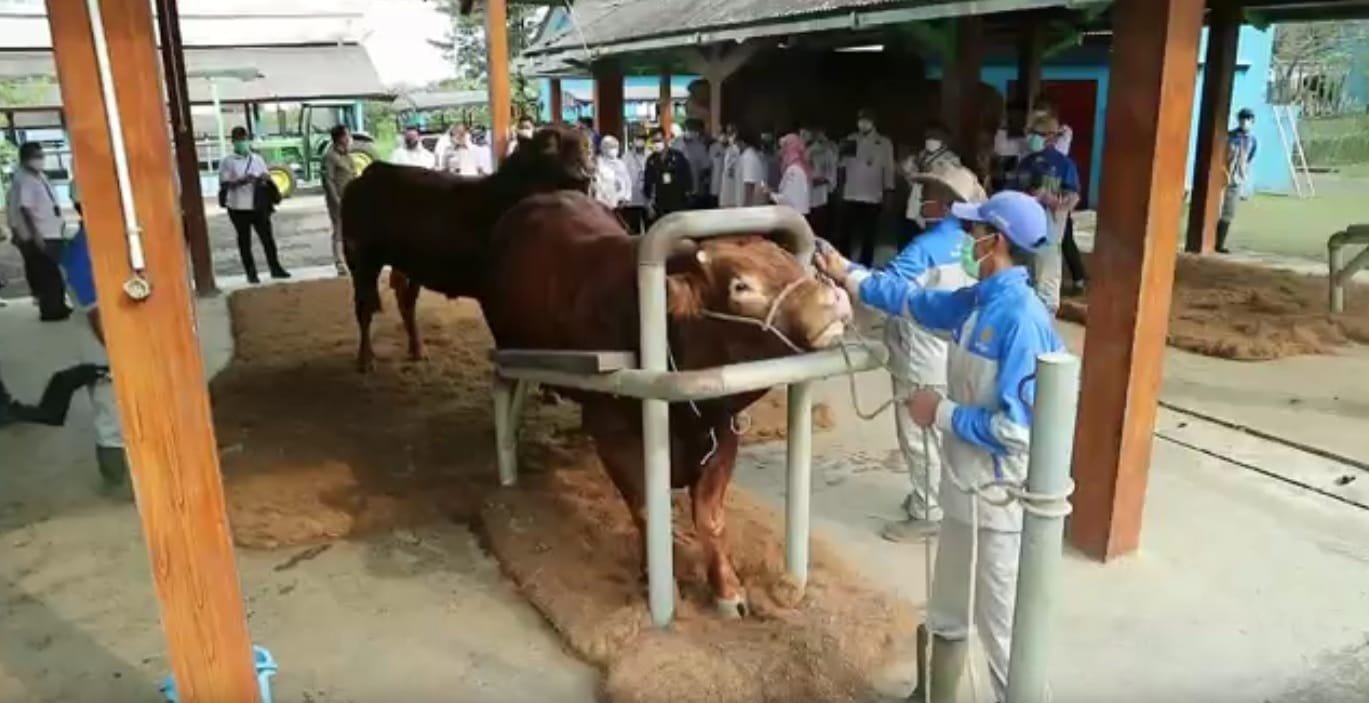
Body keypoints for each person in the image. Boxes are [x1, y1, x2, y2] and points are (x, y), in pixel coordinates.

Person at [816, 190, 1062, 703]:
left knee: (1003, 633)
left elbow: (1020, 432)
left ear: (997, 241)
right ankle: (936, 691)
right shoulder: (980, 299)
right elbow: (914, 302)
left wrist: (942, 412)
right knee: (948, 609)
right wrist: (848, 273)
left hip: (1001, 502)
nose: (966, 242)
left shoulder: (1022, 321)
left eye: (974, 234)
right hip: (962, 490)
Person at [868, 162, 984, 544]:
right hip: (951, 353)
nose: (922, 201)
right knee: (939, 434)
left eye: (930, 196)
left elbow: (885, 289)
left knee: (918, 437)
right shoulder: (970, 245)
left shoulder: (924, 248)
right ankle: (936, 497)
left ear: (949, 206)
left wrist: (845, 277)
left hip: (919, 355)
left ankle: (928, 510)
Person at [57, 219, 129, 487]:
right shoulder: (84, 250)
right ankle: (117, 479)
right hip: (102, 343)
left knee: (115, 409)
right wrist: (119, 350)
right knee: (111, 412)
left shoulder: (94, 241)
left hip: (105, 338)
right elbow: (95, 312)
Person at [1008, 113, 1080, 313]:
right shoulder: (1026, 163)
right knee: (1022, 283)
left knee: (1045, 287)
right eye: (1030, 133)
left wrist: (1051, 199)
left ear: (1050, 137)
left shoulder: (1064, 165)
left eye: (1035, 133)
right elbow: (1011, 191)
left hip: (1048, 233)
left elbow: (1072, 199)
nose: (1031, 137)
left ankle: (1045, 330)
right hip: (1022, 234)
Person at [6, 142, 72, 321]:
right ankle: (51, 310)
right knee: (48, 273)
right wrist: (35, 234)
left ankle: (58, 305)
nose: (41, 160)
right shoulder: (25, 179)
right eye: (37, 156)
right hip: (42, 233)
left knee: (52, 272)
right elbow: (25, 209)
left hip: (52, 230)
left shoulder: (38, 176)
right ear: (26, 159)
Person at [218, 126, 289, 284]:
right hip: (237, 207)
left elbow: (266, 177)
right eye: (239, 140)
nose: (242, 142)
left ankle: (275, 268)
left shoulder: (257, 159)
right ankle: (251, 273)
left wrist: (263, 178)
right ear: (233, 141)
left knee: (267, 238)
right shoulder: (227, 162)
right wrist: (240, 181)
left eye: (244, 139)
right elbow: (224, 183)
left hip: (258, 205)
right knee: (245, 241)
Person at [839, 108, 896, 266]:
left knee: (869, 236)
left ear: (873, 121)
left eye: (867, 120)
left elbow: (889, 170)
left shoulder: (884, 143)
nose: (863, 123)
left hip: (872, 196)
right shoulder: (851, 139)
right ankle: (843, 264)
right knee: (847, 234)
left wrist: (888, 193)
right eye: (860, 119)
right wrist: (840, 190)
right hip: (851, 194)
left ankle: (865, 266)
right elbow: (842, 167)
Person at [901, 122, 961, 247]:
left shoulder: (951, 159)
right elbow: (905, 172)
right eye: (928, 137)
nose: (930, 140)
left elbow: (951, 182)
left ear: (943, 139)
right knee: (910, 241)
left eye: (934, 137)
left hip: (934, 206)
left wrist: (930, 171)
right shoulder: (919, 155)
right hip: (916, 202)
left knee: (929, 240)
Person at [1218, 107, 1258, 254]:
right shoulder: (1229, 137)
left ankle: (1219, 243)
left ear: (1253, 121)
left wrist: (1242, 177)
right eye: (1242, 118)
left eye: (1248, 119)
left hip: (1237, 180)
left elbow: (1248, 159)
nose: (1244, 121)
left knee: (1228, 212)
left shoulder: (1252, 141)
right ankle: (1211, 241)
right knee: (1217, 209)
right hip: (1223, 178)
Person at [322, 124, 356, 276]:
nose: (349, 138)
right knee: (339, 230)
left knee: (351, 230)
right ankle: (340, 263)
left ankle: (350, 259)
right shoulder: (330, 156)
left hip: (350, 198)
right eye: (347, 135)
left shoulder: (347, 155)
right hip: (338, 200)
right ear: (341, 137)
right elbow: (328, 180)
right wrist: (336, 200)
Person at [642, 129, 692, 221]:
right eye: (653, 141)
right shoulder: (651, 160)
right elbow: (648, 182)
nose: (656, 144)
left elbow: (687, 178)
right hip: (659, 204)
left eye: (658, 140)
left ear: (665, 139)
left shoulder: (677, 157)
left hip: (677, 202)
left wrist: (687, 197)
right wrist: (649, 203)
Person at [762, 133, 811, 215]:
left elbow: (789, 199)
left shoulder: (794, 170)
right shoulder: (797, 167)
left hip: (793, 215)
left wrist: (770, 194)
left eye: (783, 147)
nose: (781, 151)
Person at [804, 125, 838, 242]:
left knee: (819, 228)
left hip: (820, 195)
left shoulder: (827, 151)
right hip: (805, 196)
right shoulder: (803, 150)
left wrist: (824, 181)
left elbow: (831, 172)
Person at [671, 118, 713, 209]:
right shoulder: (675, 143)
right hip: (677, 191)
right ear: (686, 129)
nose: (696, 134)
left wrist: (703, 187)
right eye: (692, 130)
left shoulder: (700, 147)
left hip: (695, 192)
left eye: (697, 131)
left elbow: (705, 169)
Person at [593, 135, 632, 213]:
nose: (614, 149)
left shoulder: (621, 163)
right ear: (603, 148)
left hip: (622, 205)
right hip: (604, 206)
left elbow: (627, 182)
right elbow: (597, 187)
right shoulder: (597, 164)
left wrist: (626, 198)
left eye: (615, 146)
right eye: (610, 147)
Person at [621, 130, 650, 233]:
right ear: (633, 140)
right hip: (632, 199)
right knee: (633, 230)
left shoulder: (650, 155)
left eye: (642, 139)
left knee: (650, 230)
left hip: (647, 199)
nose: (640, 141)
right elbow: (622, 178)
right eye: (637, 139)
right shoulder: (626, 157)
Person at [737, 128, 769, 207]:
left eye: (737, 143)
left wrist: (746, 208)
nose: (737, 146)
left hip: (750, 205)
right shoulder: (751, 155)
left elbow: (749, 185)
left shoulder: (748, 157)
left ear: (742, 142)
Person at [714, 124, 744, 209]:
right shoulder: (728, 150)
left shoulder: (736, 150)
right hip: (726, 192)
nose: (726, 136)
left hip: (734, 194)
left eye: (730, 134)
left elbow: (731, 171)